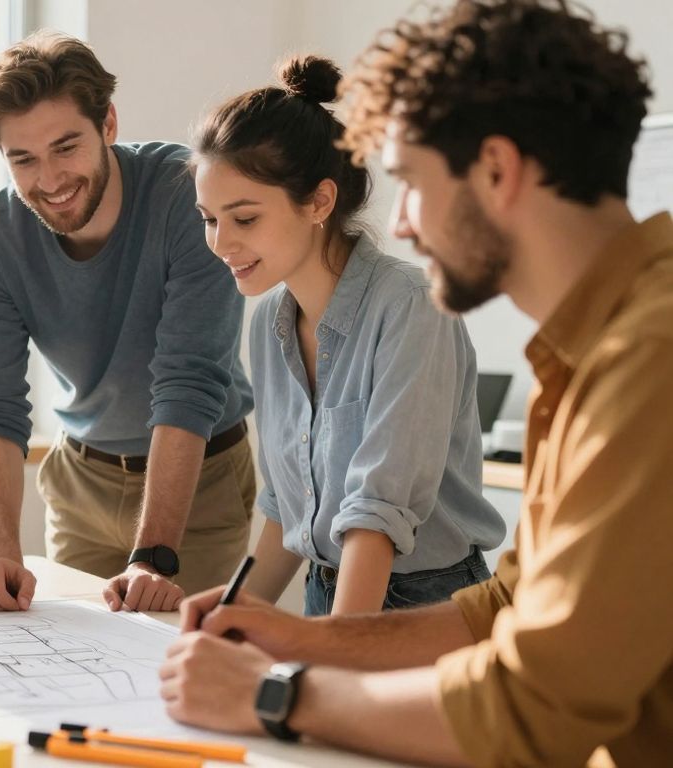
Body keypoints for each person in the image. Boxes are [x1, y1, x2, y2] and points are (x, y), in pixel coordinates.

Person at [159, 1, 672, 765]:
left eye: (412, 182)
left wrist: (275, 692)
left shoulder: (650, 358)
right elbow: (509, 604)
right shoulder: (585, 353)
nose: (400, 224)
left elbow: (537, 708)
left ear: (496, 170)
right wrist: (300, 637)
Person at [192, 55, 505, 617]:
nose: (220, 242)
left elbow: (375, 518)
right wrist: (225, 622)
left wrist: (330, 653)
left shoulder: (412, 306)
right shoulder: (268, 324)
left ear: (319, 201)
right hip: (330, 595)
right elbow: (288, 514)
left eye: (244, 219)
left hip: (429, 608)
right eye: (209, 219)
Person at [0, 31, 255, 613]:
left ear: (108, 124)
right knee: (62, 653)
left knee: (179, 656)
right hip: (81, 483)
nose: (50, 180)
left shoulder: (189, 197)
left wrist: (154, 555)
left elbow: (188, 382)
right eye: (23, 159)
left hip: (200, 479)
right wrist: (1, 555)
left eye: (66, 147)